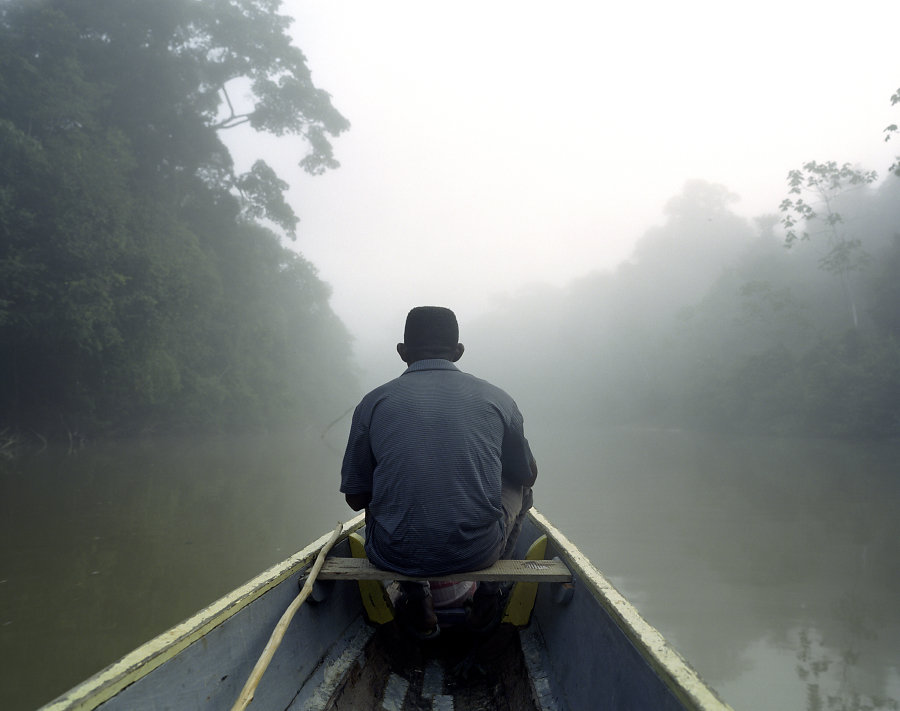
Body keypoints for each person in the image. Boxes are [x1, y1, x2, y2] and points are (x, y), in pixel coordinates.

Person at [340, 306, 537, 638]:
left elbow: (356, 500)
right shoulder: (498, 399)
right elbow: (527, 477)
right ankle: (490, 594)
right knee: (521, 485)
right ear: (458, 352)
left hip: (392, 554)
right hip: (479, 551)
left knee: (377, 487)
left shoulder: (373, 403)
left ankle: (415, 595)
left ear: (403, 353)